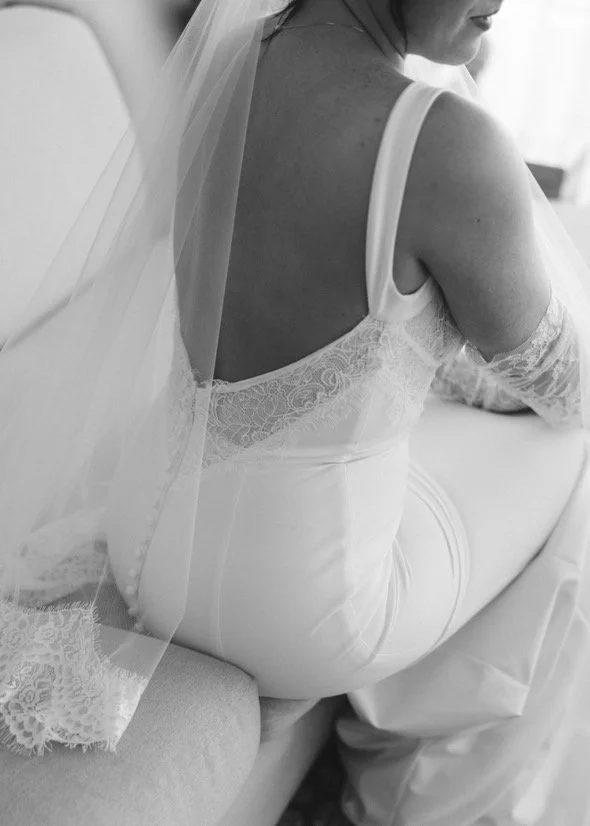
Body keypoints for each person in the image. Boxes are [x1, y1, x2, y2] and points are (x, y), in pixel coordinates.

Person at [1, 0, 590, 823]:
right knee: (573, 449)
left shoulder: (230, 63)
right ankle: (432, 799)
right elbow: (563, 384)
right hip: (299, 614)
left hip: (146, 543)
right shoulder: (446, 142)